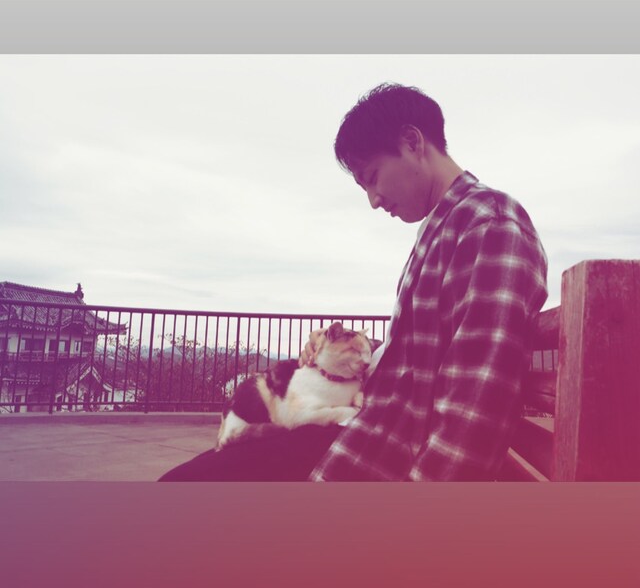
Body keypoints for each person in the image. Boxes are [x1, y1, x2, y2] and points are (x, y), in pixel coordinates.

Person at [159, 82, 547, 482]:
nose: (374, 200)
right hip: (368, 433)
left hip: (381, 452)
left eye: (373, 178)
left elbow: (477, 408)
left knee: (178, 489)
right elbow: (424, 356)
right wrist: (345, 352)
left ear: (412, 142)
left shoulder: (487, 222)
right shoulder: (449, 224)